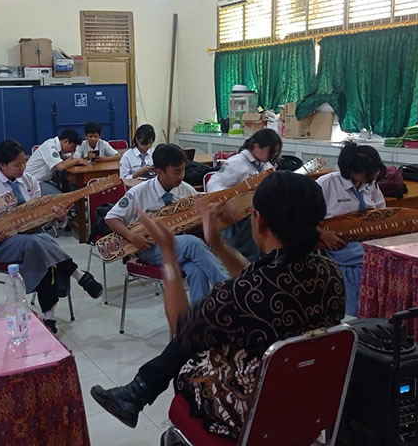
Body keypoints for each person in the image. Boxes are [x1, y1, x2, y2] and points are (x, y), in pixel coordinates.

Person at [91, 171, 345, 438]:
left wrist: (168, 252)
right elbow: (257, 280)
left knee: (196, 351)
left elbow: (181, 329)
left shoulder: (238, 296)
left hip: (252, 409)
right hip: (308, 401)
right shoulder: (329, 272)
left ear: (260, 223)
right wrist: (217, 245)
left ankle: (139, 391)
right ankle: (138, 391)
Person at [0, 140, 104, 334]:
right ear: (2, 165)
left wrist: (59, 218)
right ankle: (78, 274)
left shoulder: (29, 181)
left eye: (24, 162)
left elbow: (40, 218)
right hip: (2, 242)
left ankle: (49, 320)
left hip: (33, 238)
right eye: (17, 165)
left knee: (41, 251)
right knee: (41, 243)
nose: (23, 168)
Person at [105, 143, 227, 304]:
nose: (181, 175)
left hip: (180, 246)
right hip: (151, 248)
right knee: (193, 243)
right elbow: (111, 217)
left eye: (183, 170)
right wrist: (132, 237)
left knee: (196, 270)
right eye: (176, 172)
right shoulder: (139, 192)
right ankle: (228, 289)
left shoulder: (186, 190)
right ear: (159, 171)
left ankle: (197, 321)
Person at [316, 141, 386, 316]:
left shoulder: (371, 185)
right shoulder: (327, 184)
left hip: (369, 239)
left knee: (391, 257)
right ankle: (354, 314)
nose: (375, 175)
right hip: (339, 245)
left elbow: (383, 213)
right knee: (372, 259)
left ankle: (380, 311)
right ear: (353, 171)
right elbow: (300, 218)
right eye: (370, 172)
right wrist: (323, 235)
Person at [206, 129, 282, 262]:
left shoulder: (267, 166)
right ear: (257, 147)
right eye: (271, 151)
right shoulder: (237, 163)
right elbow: (213, 183)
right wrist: (225, 202)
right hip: (238, 221)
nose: (273, 155)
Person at [25, 128, 89, 195]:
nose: (73, 150)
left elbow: (67, 160)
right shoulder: (50, 146)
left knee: (71, 190)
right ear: (66, 141)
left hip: (42, 180)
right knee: (61, 199)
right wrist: (77, 160)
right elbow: (60, 166)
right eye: (72, 147)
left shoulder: (59, 148)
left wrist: (74, 159)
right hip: (33, 182)